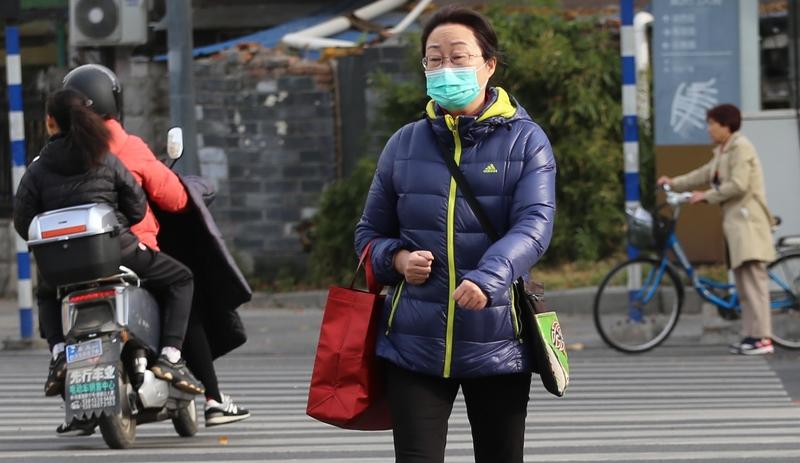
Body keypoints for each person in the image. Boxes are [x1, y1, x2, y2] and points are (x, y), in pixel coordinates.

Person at [354, 6, 556, 463]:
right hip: (413, 342)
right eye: (435, 59)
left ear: (488, 65)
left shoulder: (526, 141)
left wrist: (488, 279)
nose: (447, 69)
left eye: (459, 57)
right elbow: (368, 232)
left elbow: (535, 225)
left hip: (498, 337)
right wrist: (397, 260)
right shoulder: (404, 144)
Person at [61, 64, 250, 426]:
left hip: (70, 262)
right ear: (111, 102)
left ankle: (68, 382)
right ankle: (201, 387)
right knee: (182, 287)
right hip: (130, 252)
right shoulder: (127, 146)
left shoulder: (56, 155)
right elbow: (176, 198)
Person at [14, 88, 204, 435]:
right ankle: (171, 358)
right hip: (117, 255)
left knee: (46, 293)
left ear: (50, 122)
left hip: (61, 269)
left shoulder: (38, 168)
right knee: (180, 279)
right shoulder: (105, 154)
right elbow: (136, 207)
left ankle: (59, 353)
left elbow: (22, 220)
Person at [658, 103, 776, 355]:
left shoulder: (741, 147)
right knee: (744, 286)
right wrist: (674, 182)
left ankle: (764, 338)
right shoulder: (724, 151)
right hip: (736, 226)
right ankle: (750, 335)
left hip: (749, 223)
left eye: (712, 123)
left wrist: (706, 196)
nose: (709, 129)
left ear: (726, 125)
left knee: (755, 285)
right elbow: (703, 174)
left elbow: (739, 184)